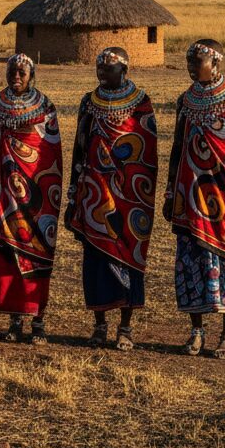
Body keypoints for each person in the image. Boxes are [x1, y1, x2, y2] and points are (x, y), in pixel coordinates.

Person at [165, 39, 225, 359]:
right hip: (190, 193)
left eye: (197, 61)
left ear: (216, 63)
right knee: (190, 262)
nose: (191, 66)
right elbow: (178, 146)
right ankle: (197, 331)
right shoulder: (185, 100)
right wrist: (170, 191)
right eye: (189, 61)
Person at [65, 47, 157, 351]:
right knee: (95, 260)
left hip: (132, 196)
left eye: (109, 68)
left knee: (129, 257)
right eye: (99, 67)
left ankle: (126, 328)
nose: (102, 72)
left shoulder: (141, 104)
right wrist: (73, 194)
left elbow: (148, 153)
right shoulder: (88, 102)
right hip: (94, 195)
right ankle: (100, 325)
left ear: (124, 70)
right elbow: (79, 148)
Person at [0, 53, 62, 344]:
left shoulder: (45, 108)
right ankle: (15, 320)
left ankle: (38, 321)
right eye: (12, 71)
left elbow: (51, 153)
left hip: (37, 197)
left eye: (22, 72)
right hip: (3, 196)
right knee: (8, 257)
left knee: (36, 253)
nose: (16, 76)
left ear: (31, 75)